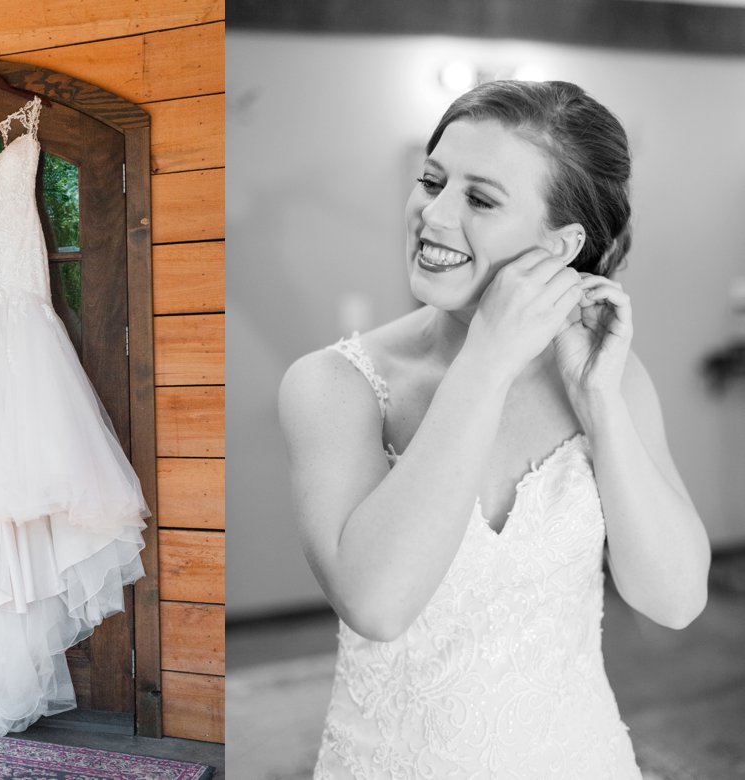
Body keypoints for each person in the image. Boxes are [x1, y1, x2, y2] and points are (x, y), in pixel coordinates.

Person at [278, 80, 710, 778]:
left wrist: (598, 403)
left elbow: (675, 600)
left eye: (479, 199)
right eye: (430, 180)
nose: (433, 214)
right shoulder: (333, 385)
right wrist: (485, 361)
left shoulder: (610, 381)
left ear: (561, 243)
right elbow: (377, 604)